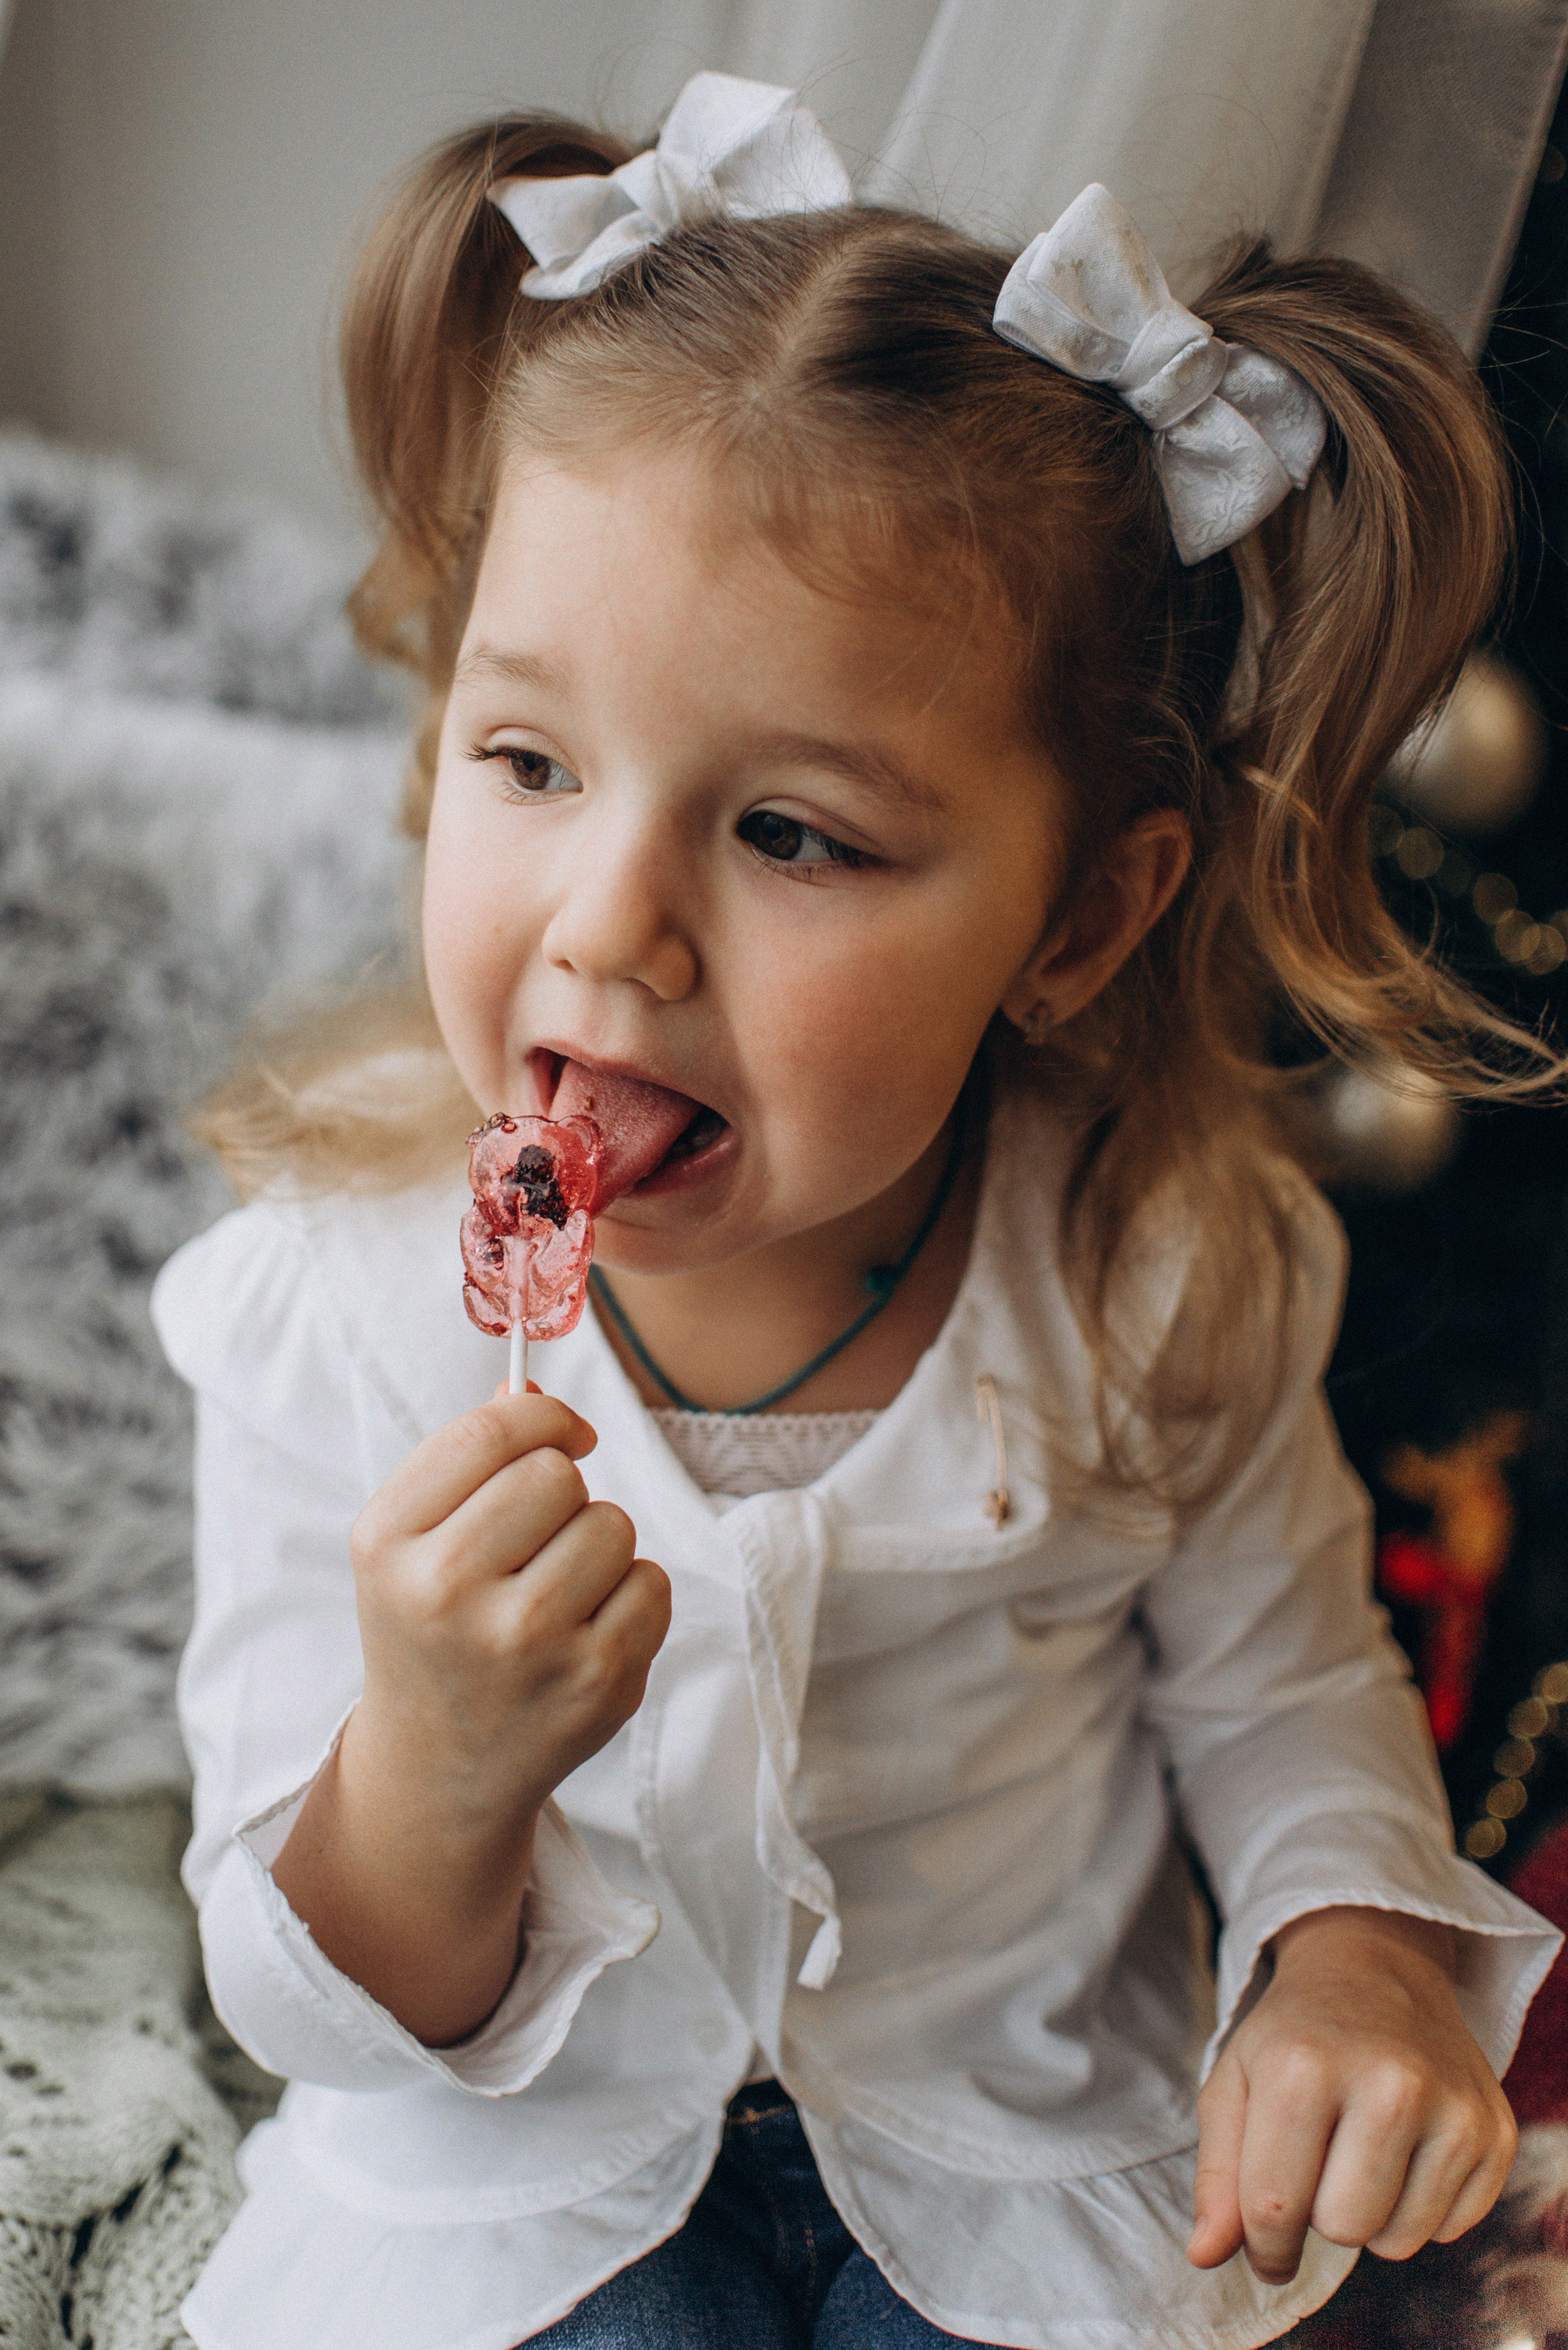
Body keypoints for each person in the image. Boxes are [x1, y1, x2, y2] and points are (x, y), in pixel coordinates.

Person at [152, 70, 1562, 2350]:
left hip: (1009, 2168)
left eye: (795, 834)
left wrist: (1359, 1961)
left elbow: (1294, 1700)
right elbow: (306, 2002)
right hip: (518, 2191)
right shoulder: (334, 1309)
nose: (611, 927)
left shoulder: (1152, 1275)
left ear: (1079, 922)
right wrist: (432, 1761)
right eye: (530, 761)